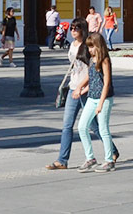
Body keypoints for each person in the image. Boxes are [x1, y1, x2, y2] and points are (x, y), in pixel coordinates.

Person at [45, 18, 119, 171]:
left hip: (92, 92)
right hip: (75, 88)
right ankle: (63, 160)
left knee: (96, 127)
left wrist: (84, 89)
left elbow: (99, 77)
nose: (73, 30)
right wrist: (77, 87)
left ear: (83, 29)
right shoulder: (72, 45)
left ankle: (111, 153)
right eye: (71, 28)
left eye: (76, 28)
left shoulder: (88, 47)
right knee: (70, 125)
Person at [77, 33, 116, 172]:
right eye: (89, 47)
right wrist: (81, 88)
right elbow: (92, 77)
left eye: (92, 47)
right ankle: (90, 158)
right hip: (91, 97)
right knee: (82, 127)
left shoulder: (104, 60)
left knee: (103, 129)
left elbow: (106, 83)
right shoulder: (92, 59)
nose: (90, 50)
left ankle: (109, 160)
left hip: (103, 98)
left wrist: (100, 103)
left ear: (99, 46)